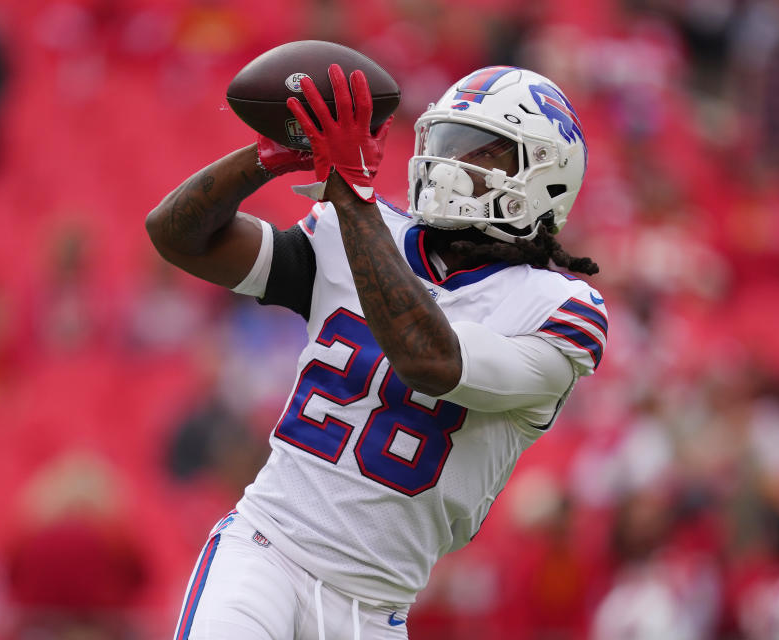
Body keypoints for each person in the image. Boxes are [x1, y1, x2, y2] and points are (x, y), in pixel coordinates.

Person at [146, 62, 606, 640]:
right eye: (449, 144)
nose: (454, 166)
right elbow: (176, 235)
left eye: (484, 154)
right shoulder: (359, 230)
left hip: (376, 607)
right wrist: (265, 158)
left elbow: (430, 360)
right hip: (266, 551)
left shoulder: (558, 310)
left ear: (547, 179)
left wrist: (352, 196)